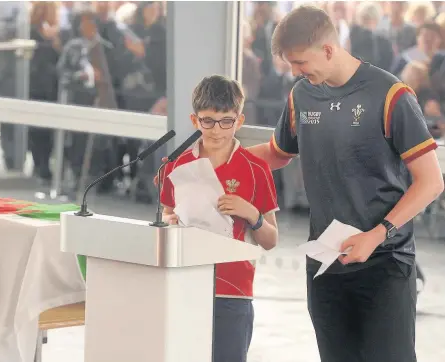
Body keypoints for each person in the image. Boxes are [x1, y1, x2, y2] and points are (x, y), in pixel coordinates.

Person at [247, 5, 444, 362]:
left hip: (385, 263)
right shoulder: (301, 95)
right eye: (290, 64)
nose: (295, 72)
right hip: (325, 262)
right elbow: (278, 152)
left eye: (300, 63)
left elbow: (431, 182)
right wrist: (217, 161)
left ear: (327, 49)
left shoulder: (391, 95)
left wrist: (376, 234)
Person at [159, 75, 279, 362]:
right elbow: (165, 215)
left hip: (233, 291)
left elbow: (271, 240)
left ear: (239, 121)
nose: (217, 130)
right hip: (184, 286)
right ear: (194, 120)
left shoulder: (256, 169)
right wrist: (171, 221)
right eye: (208, 121)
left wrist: (251, 213)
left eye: (226, 121)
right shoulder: (178, 166)